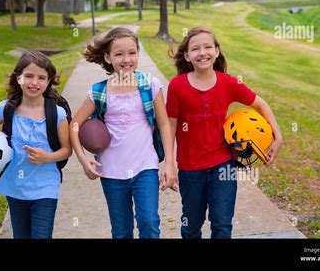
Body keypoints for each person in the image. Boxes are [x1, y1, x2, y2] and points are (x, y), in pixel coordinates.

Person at [166, 26, 283, 239]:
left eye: (208, 47)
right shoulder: (177, 86)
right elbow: (170, 126)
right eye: (196, 49)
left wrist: (278, 137)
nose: (203, 53)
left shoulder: (229, 83)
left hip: (223, 165)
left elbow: (261, 105)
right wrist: (169, 164)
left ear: (217, 51)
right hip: (190, 168)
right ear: (187, 55)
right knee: (191, 226)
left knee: (222, 225)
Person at [70, 27, 177, 239]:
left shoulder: (150, 85)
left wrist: (169, 163)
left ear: (138, 54)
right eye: (119, 54)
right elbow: (74, 124)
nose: (126, 59)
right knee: (121, 231)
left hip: (145, 166)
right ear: (108, 57)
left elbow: (164, 124)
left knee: (149, 222)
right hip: (111, 171)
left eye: (132, 52)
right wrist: (83, 160)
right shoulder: (99, 92)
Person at [0, 51, 72, 238]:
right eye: (28, 76)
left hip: (45, 187)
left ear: (49, 81)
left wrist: (48, 157)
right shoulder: (7, 108)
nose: (34, 83)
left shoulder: (57, 114)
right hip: (15, 186)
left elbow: (67, 150)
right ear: (18, 78)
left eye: (41, 78)